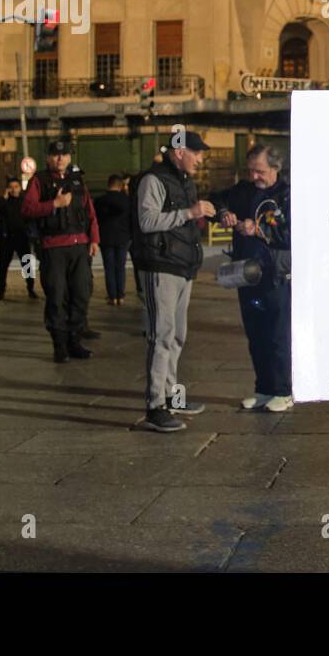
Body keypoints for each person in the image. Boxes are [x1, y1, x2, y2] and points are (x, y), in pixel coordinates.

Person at [131, 131, 219, 433]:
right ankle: (155, 406)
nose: (200, 158)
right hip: (160, 266)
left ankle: (173, 396)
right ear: (179, 151)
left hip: (183, 266)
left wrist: (201, 215)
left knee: (178, 334)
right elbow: (147, 221)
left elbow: (182, 219)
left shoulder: (184, 181)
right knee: (162, 335)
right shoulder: (152, 180)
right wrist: (188, 213)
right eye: (196, 152)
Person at [209, 145, 293, 412]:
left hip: (277, 275)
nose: (254, 176)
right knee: (255, 333)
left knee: (278, 334)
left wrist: (258, 229)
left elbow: (293, 234)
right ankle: (264, 388)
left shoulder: (288, 194)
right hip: (246, 274)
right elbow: (215, 199)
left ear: (275, 168)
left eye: (260, 171)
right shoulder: (244, 191)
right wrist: (223, 214)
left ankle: (284, 390)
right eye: (251, 171)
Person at [20, 139, 100, 363]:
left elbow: (89, 212)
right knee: (56, 297)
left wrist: (94, 238)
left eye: (64, 155)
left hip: (79, 246)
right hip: (53, 247)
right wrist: (53, 205)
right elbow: (27, 209)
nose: (60, 158)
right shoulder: (40, 181)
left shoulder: (77, 181)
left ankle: (75, 340)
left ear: (69, 158)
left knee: (81, 294)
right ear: (48, 158)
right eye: (56, 155)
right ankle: (60, 345)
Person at [0, 176, 37, 299]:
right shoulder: (4, 201)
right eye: (11, 187)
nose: (14, 189)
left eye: (16, 187)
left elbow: (31, 216)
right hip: (7, 238)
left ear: (20, 188)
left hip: (22, 237)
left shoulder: (24, 200)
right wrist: (3, 198)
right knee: (3, 266)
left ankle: (31, 288)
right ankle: (1, 291)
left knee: (27, 264)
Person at [94, 174, 131, 305]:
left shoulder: (99, 201)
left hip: (106, 238)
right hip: (123, 238)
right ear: (120, 185)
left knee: (109, 267)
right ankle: (121, 296)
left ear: (108, 184)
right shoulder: (127, 200)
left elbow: (95, 220)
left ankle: (112, 296)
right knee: (120, 267)